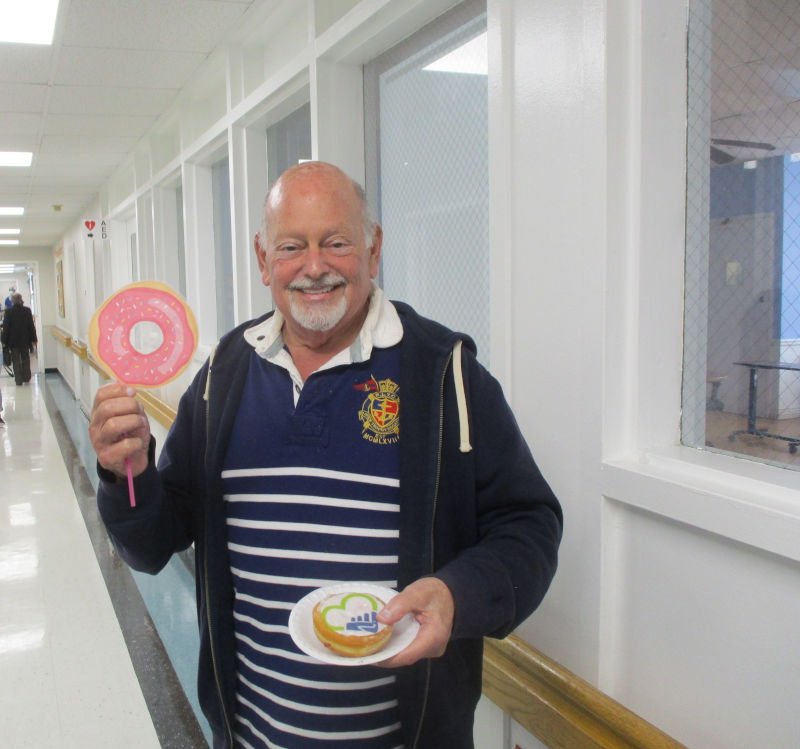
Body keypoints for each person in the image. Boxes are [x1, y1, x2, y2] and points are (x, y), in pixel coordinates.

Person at [89, 162, 563, 748]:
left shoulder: (445, 374)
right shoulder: (223, 375)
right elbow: (154, 542)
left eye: (336, 242)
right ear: (264, 260)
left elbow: (530, 525)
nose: (314, 267)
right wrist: (126, 476)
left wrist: (457, 595)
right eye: (292, 246)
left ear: (374, 247)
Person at [1, 293, 37, 386]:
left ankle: (18, 380)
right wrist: (34, 339)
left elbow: (6, 328)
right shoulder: (27, 311)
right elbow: (31, 326)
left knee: (16, 361)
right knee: (25, 359)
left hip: (13, 342)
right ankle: (26, 377)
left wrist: (4, 341)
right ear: (21, 300)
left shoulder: (8, 312)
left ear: (12, 301)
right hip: (25, 340)